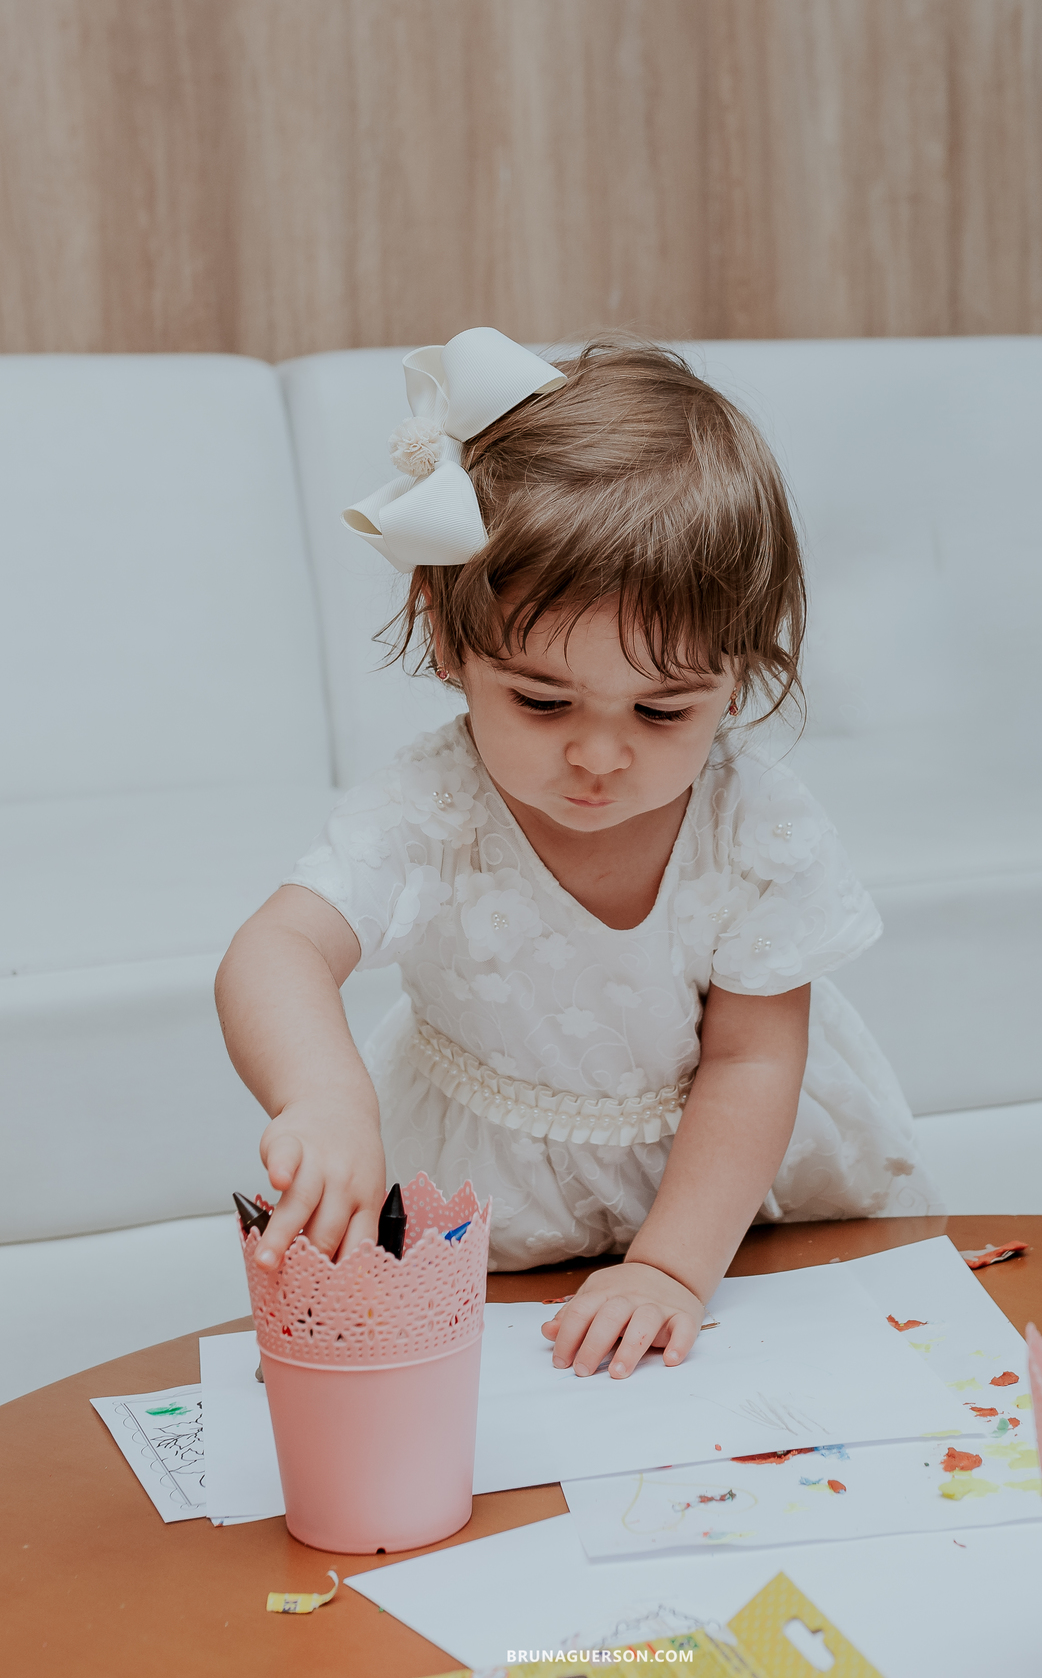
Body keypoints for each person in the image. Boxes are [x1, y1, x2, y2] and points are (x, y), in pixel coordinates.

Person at [215, 327, 939, 1383]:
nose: (599, 756)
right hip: (490, 1193)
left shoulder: (755, 825)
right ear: (447, 635)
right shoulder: (432, 807)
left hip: (723, 1196)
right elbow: (276, 947)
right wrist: (320, 1096)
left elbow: (753, 1059)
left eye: (663, 709)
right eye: (543, 700)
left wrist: (673, 1273)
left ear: (738, 675)